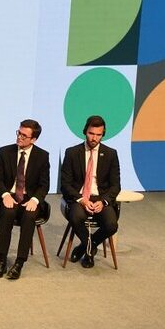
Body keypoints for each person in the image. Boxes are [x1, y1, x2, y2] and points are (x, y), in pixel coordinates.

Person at [0, 119, 50, 280]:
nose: (19, 137)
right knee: (7, 213)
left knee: (29, 217)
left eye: (24, 135)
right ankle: (1, 261)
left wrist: (35, 200)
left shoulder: (42, 156)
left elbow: (44, 185)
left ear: (33, 139)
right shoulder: (5, 152)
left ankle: (19, 263)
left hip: (29, 198)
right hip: (9, 195)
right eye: (19, 133)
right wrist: (5, 195)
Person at [60, 115, 121, 268]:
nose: (94, 138)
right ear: (85, 132)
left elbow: (115, 185)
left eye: (98, 134)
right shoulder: (72, 153)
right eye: (91, 133)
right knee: (76, 217)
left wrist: (104, 201)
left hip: (100, 198)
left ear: (103, 134)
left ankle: (85, 247)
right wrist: (82, 200)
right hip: (80, 197)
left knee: (112, 225)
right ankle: (90, 251)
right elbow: (65, 184)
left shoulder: (111, 154)